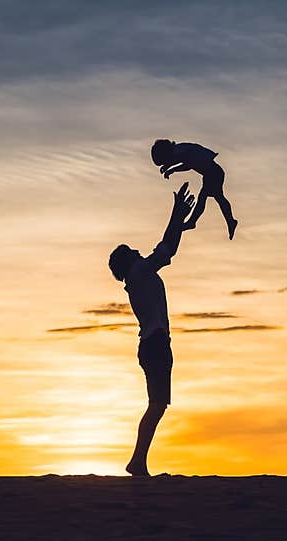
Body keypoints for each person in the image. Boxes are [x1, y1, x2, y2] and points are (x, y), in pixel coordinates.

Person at [108, 182, 195, 476]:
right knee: (157, 405)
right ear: (129, 261)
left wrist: (179, 221)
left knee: (157, 405)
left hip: (153, 344)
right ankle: (137, 462)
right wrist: (176, 214)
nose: (138, 250)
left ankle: (138, 462)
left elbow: (167, 250)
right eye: (133, 250)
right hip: (155, 344)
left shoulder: (138, 275)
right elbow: (166, 249)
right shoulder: (139, 272)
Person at [151, 138, 239, 240]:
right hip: (210, 174)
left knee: (209, 197)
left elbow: (188, 165)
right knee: (213, 197)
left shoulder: (181, 151)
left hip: (214, 173)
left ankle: (193, 222)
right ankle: (229, 221)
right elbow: (178, 159)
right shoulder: (178, 150)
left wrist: (172, 169)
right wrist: (168, 166)